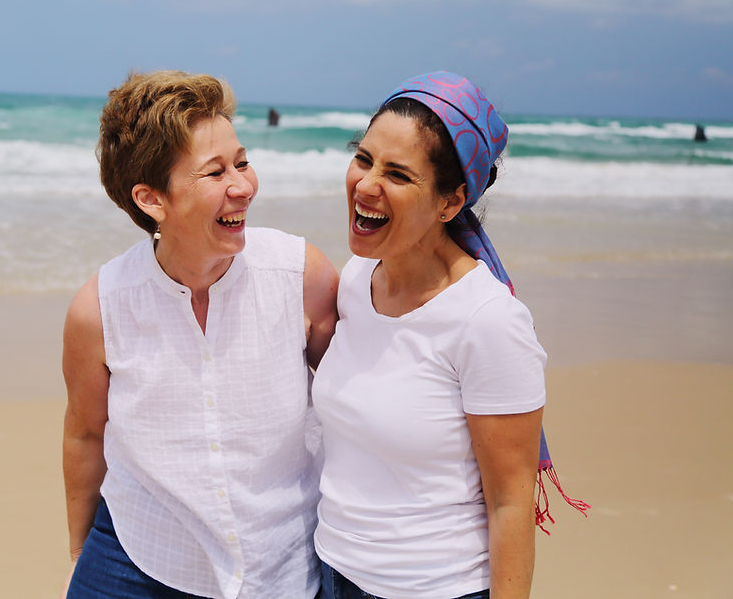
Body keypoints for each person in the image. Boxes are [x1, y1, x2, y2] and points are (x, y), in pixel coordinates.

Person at [60, 70, 339, 599]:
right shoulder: (99, 310)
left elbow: (356, 406)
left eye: (243, 162)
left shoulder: (303, 276)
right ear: (151, 200)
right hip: (139, 558)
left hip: (279, 562)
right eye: (215, 173)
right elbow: (84, 433)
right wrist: (80, 560)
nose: (243, 186)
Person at [312, 71, 586, 599]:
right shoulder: (354, 280)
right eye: (363, 158)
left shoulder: (486, 321)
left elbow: (510, 503)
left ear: (450, 202)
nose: (366, 184)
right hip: (331, 573)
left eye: (398, 174)